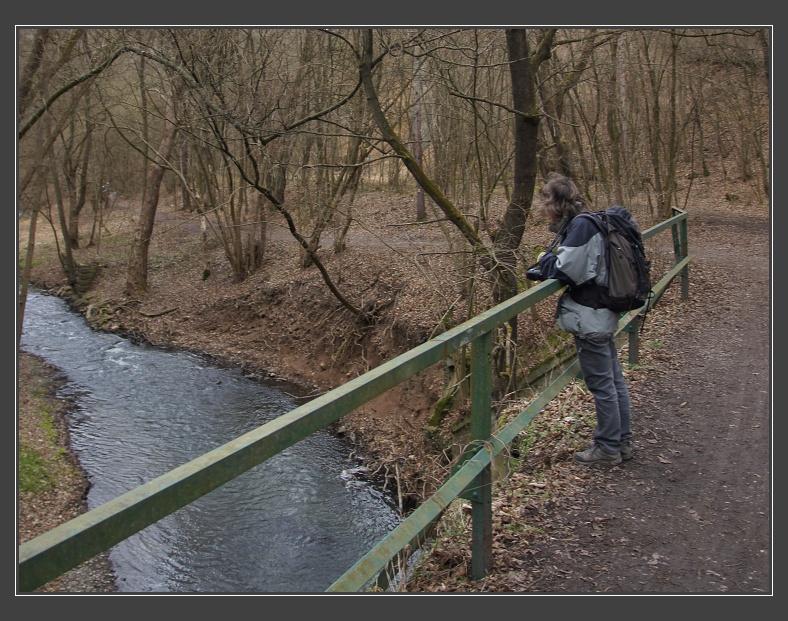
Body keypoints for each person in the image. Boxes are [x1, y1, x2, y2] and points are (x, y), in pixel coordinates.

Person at [531, 173, 635, 466]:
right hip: (603, 313)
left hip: (590, 318)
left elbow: (567, 271)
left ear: (555, 201)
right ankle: (622, 442)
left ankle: (607, 448)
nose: (543, 207)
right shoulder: (592, 220)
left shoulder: (581, 227)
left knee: (603, 385)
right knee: (613, 381)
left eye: (545, 200)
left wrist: (544, 260)